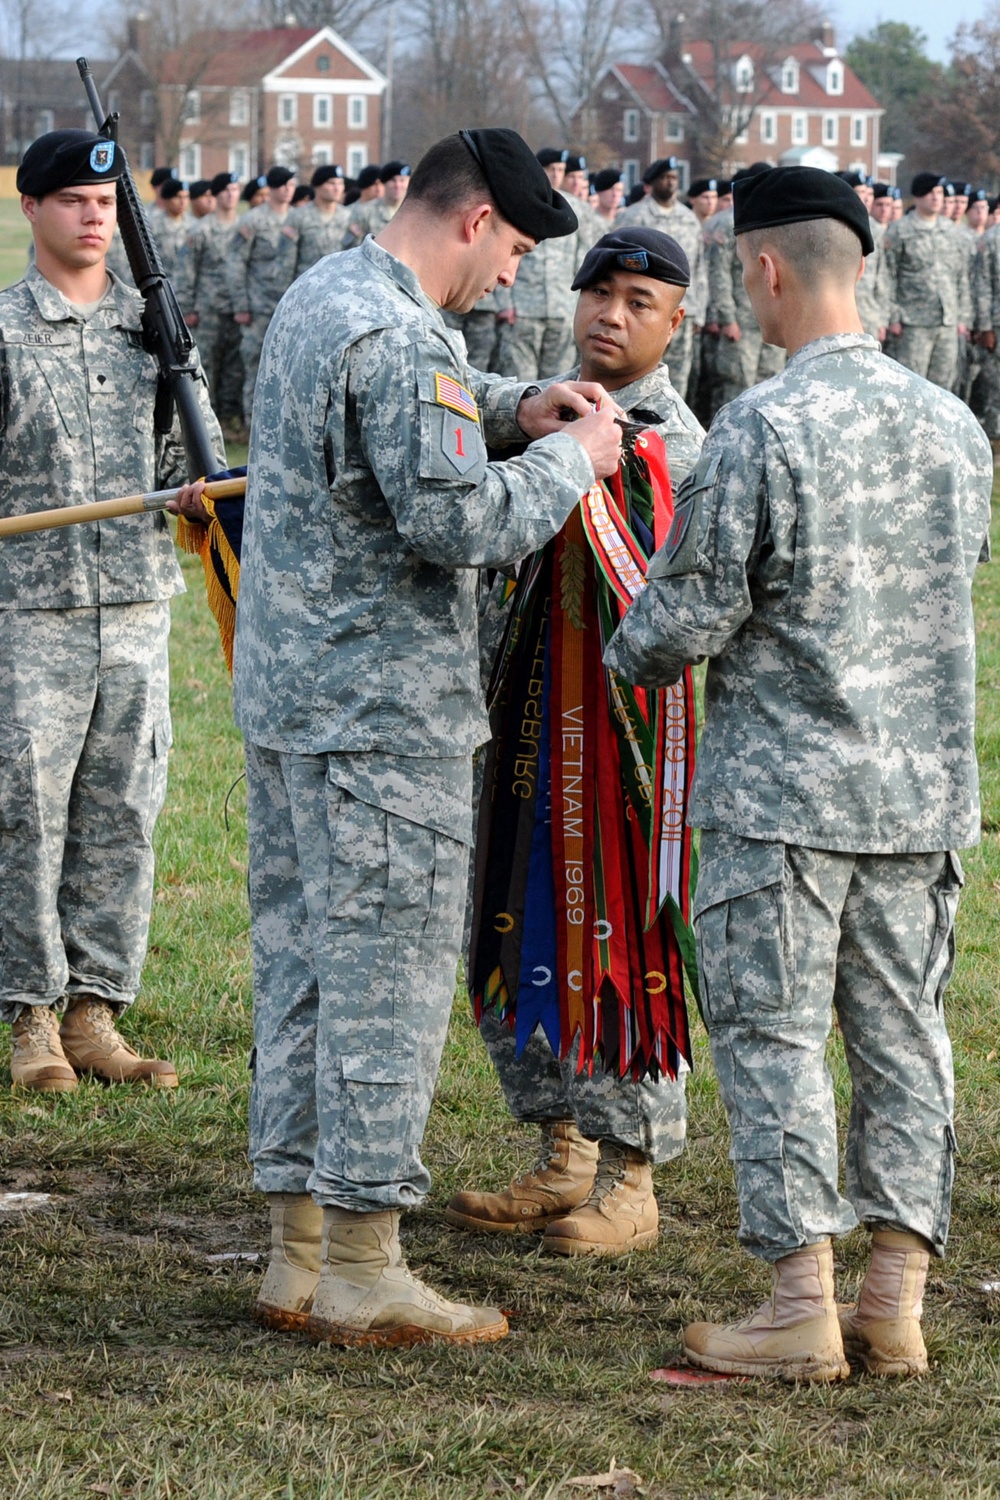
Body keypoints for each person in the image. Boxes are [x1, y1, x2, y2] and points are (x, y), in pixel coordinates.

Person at [232, 127, 625, 1348]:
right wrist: (571, 454)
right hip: (382, 722)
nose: (513, 277)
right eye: (512, 248)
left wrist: (514, 405)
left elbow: (397, 433)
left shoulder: (324, 293)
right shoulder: (402, 334)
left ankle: (298, 1253)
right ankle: (363, 1263)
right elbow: (455, 518)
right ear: (470, 222)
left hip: (298, 708)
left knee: (300, 979)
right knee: (381, 990)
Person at [606, 165, 992, 1382]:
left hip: (784, 805)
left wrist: (616, 630)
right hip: (919, 797)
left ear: (764, 270)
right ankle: (894, 1301)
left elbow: (675, 631)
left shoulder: (761, 429)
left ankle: (797, 1304)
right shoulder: (955, 427)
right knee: (903, 1039)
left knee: (774, 1040)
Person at [446, 226, 704, 1257]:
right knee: (522, 919)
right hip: (519, 733)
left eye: (639, 299)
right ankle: (564, 1154)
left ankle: (631, 1175)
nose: (610, 313)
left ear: (677, 322)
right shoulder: (537, 422)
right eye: (598, 292)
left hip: (624, 754)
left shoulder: (681, 452)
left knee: (619, 933)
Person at [0, 129, 223, 1093]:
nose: (94, 218)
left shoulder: (155, 332)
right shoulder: (4, 331)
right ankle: (33, 1017)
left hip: (134, 603)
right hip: (31, 607)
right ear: (33, 210)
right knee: (25, 813)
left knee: (123, 811)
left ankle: (97, 1010)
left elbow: (183, 461)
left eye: (105, 205)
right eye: (74, 202)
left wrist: (193, 492)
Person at [616, 158, 707, 396]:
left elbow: (698, 267)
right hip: (642, 310)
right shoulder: (632, 217)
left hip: (682, 310)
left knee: (678, 379)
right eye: (664, 178)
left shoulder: (688, 219)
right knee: (636, 373)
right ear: (652, 183)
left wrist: (700, 310)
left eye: (674, 178)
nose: (670, 183)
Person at [883, 172, 970, 390]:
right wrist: (893, 316)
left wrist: (963, 317)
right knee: (912, 385)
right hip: (913, 322)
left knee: (944, 387)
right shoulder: (900, 230)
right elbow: (887, 275)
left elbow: (961, 276)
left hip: (947, 320)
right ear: (918, 196)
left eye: (940, 192)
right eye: (931, 192)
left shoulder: (951, 230)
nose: (936, 197)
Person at [176, 170, 244, 437]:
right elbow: (187, 271)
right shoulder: (200, 230)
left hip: (236, 308)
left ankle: (230, 419)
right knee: (208, 366)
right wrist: (188, 308)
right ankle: (207, 421)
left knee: (234, 367)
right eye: (226, 190)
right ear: (215, 195)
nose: (231, 195)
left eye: (235, 189)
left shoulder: (244, 228)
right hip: (208, 309)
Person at [228, 165, 297, 423]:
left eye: (292, 186)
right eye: (284, 186)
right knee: (255, 365)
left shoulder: (296, 219)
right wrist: (241, 305)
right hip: (258, 307)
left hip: (289, 307)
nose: (289, 191)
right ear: (273, 189)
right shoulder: (252, 221)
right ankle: (251, 423)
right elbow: (236, 263)